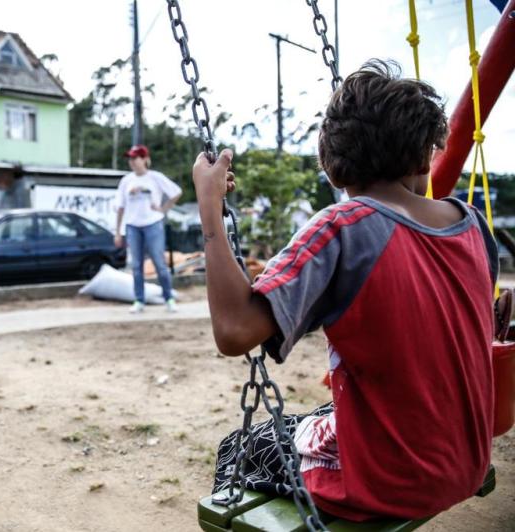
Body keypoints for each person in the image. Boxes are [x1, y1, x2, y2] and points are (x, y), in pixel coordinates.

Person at [192, 60, 500, 520]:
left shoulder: (343, 228)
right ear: (425, 157)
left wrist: (209, 207)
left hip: (390, 482)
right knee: (321, 415)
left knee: (242, 447)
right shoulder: (471, 225)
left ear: (334, 169)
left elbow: (235, 330)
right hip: (467, 461)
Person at [114, 144, 182, 313]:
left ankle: (169, 298)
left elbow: (176, 192)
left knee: (159, 263)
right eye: (130, 158)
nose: (132, 161)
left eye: (135, 158)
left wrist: (163, 209)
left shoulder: (155, 177)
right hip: (132, 226)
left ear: (144, 159)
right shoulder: (126, 181)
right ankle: (139, 300)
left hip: (153, 224)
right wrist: (117, 232)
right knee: (136, 265)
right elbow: (120, 207)